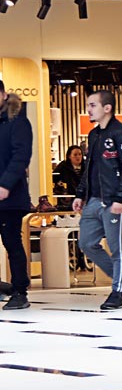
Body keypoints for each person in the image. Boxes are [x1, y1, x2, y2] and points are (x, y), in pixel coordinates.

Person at [73, 90, 122, 312]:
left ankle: (117, 292)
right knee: (86, 243)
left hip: (115, 201)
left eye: (92, 105)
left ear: (107, 108)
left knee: (117, 247)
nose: (88, 109)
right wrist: (80, 193)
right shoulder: (93, 135)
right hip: (94, 199)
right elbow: (89, 167)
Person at [0, 81, 34, 311]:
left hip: (10, 197)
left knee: (12, 242)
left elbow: (21, 155)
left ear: (2, 95)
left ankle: (20, 291)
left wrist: (5, 184)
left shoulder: (17, 121)